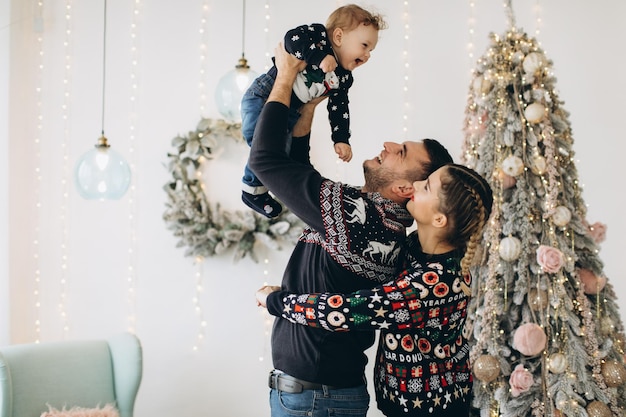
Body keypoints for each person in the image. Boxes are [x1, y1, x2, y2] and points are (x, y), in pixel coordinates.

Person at [247, 44, 453, 417]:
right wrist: (309, 107)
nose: (389, 145)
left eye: (402, 153)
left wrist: (285, 76)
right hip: (321, 396)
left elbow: (264, 160)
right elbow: (298, 168)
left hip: (312, 401)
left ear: (406, 190)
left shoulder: (352, 214)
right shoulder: (377, 220)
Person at [257, 163, 494, 417]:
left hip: (432, 410)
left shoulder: (434, 283)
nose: (415, 186)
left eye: (425, 187)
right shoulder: (414, 248)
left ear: (439, 218)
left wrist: (276, 301)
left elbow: (346, 312)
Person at [241, 4, 387, 218]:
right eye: (364, 45)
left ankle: (257, 190)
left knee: (280, 152)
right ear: (338, 36)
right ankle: (250, 190)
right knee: (261, 142)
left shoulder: (343, 77)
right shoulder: (318, 36)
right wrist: (318, 57)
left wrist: (341, 138)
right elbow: (291, 40)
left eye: (370, 51)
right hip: (264, 95)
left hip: (289, 113)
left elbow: (339, 108)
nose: (367, 55)